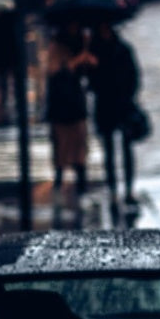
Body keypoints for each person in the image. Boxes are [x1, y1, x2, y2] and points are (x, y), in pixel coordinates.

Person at [87, 21, 140, 204]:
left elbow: (134, 75)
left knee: (126, 149)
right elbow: (90, 80)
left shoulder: (123, 48)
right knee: (108, 151)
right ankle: (112, 189)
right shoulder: (93, 50)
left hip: (123, 104)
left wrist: (128, 95)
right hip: (105, 105)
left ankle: (128, 188)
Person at [45, 22, 94, 195]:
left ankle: (81, 182)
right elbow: (55, 72)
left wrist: (88, 61)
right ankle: (59, 181)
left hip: (76, 105)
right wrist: (74, 62)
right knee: (61, 148)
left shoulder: (83, 44)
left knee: (79, 146)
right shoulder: (57, 47)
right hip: (60, 106)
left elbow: (88, 77)